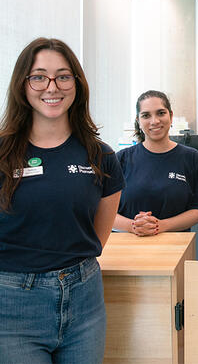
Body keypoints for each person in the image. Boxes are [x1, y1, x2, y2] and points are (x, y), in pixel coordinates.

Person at [0, 38, 124, 363]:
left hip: (84, 300)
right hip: (13, 305)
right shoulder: (2, 154)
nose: (51, 86)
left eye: (63, 76)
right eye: (39, 76)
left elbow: (96, 237)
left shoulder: (101, 156)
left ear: (77, 84)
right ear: (23, 85)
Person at [113, 90, 198, 235]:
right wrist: (133, 226)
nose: (154, 121)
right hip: (127, 247)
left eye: (161, 113)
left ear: (171, 116)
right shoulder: (121, 159)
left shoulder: (191, 158)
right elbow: (103, 210)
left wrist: (161, 225)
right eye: (146, 115)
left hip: (176, 247)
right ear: (138, 120)